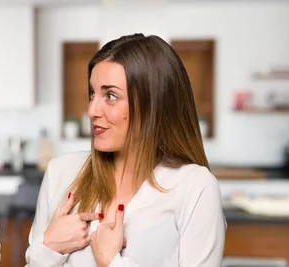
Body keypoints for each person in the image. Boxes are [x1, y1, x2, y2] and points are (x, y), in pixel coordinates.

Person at [25, 33, 226, 266]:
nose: (91, 110)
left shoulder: (195, 187)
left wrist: (111, 261)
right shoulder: (60, 172)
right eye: (93, 93)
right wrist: (48, 249)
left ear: (154, 105)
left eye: (110, 96)